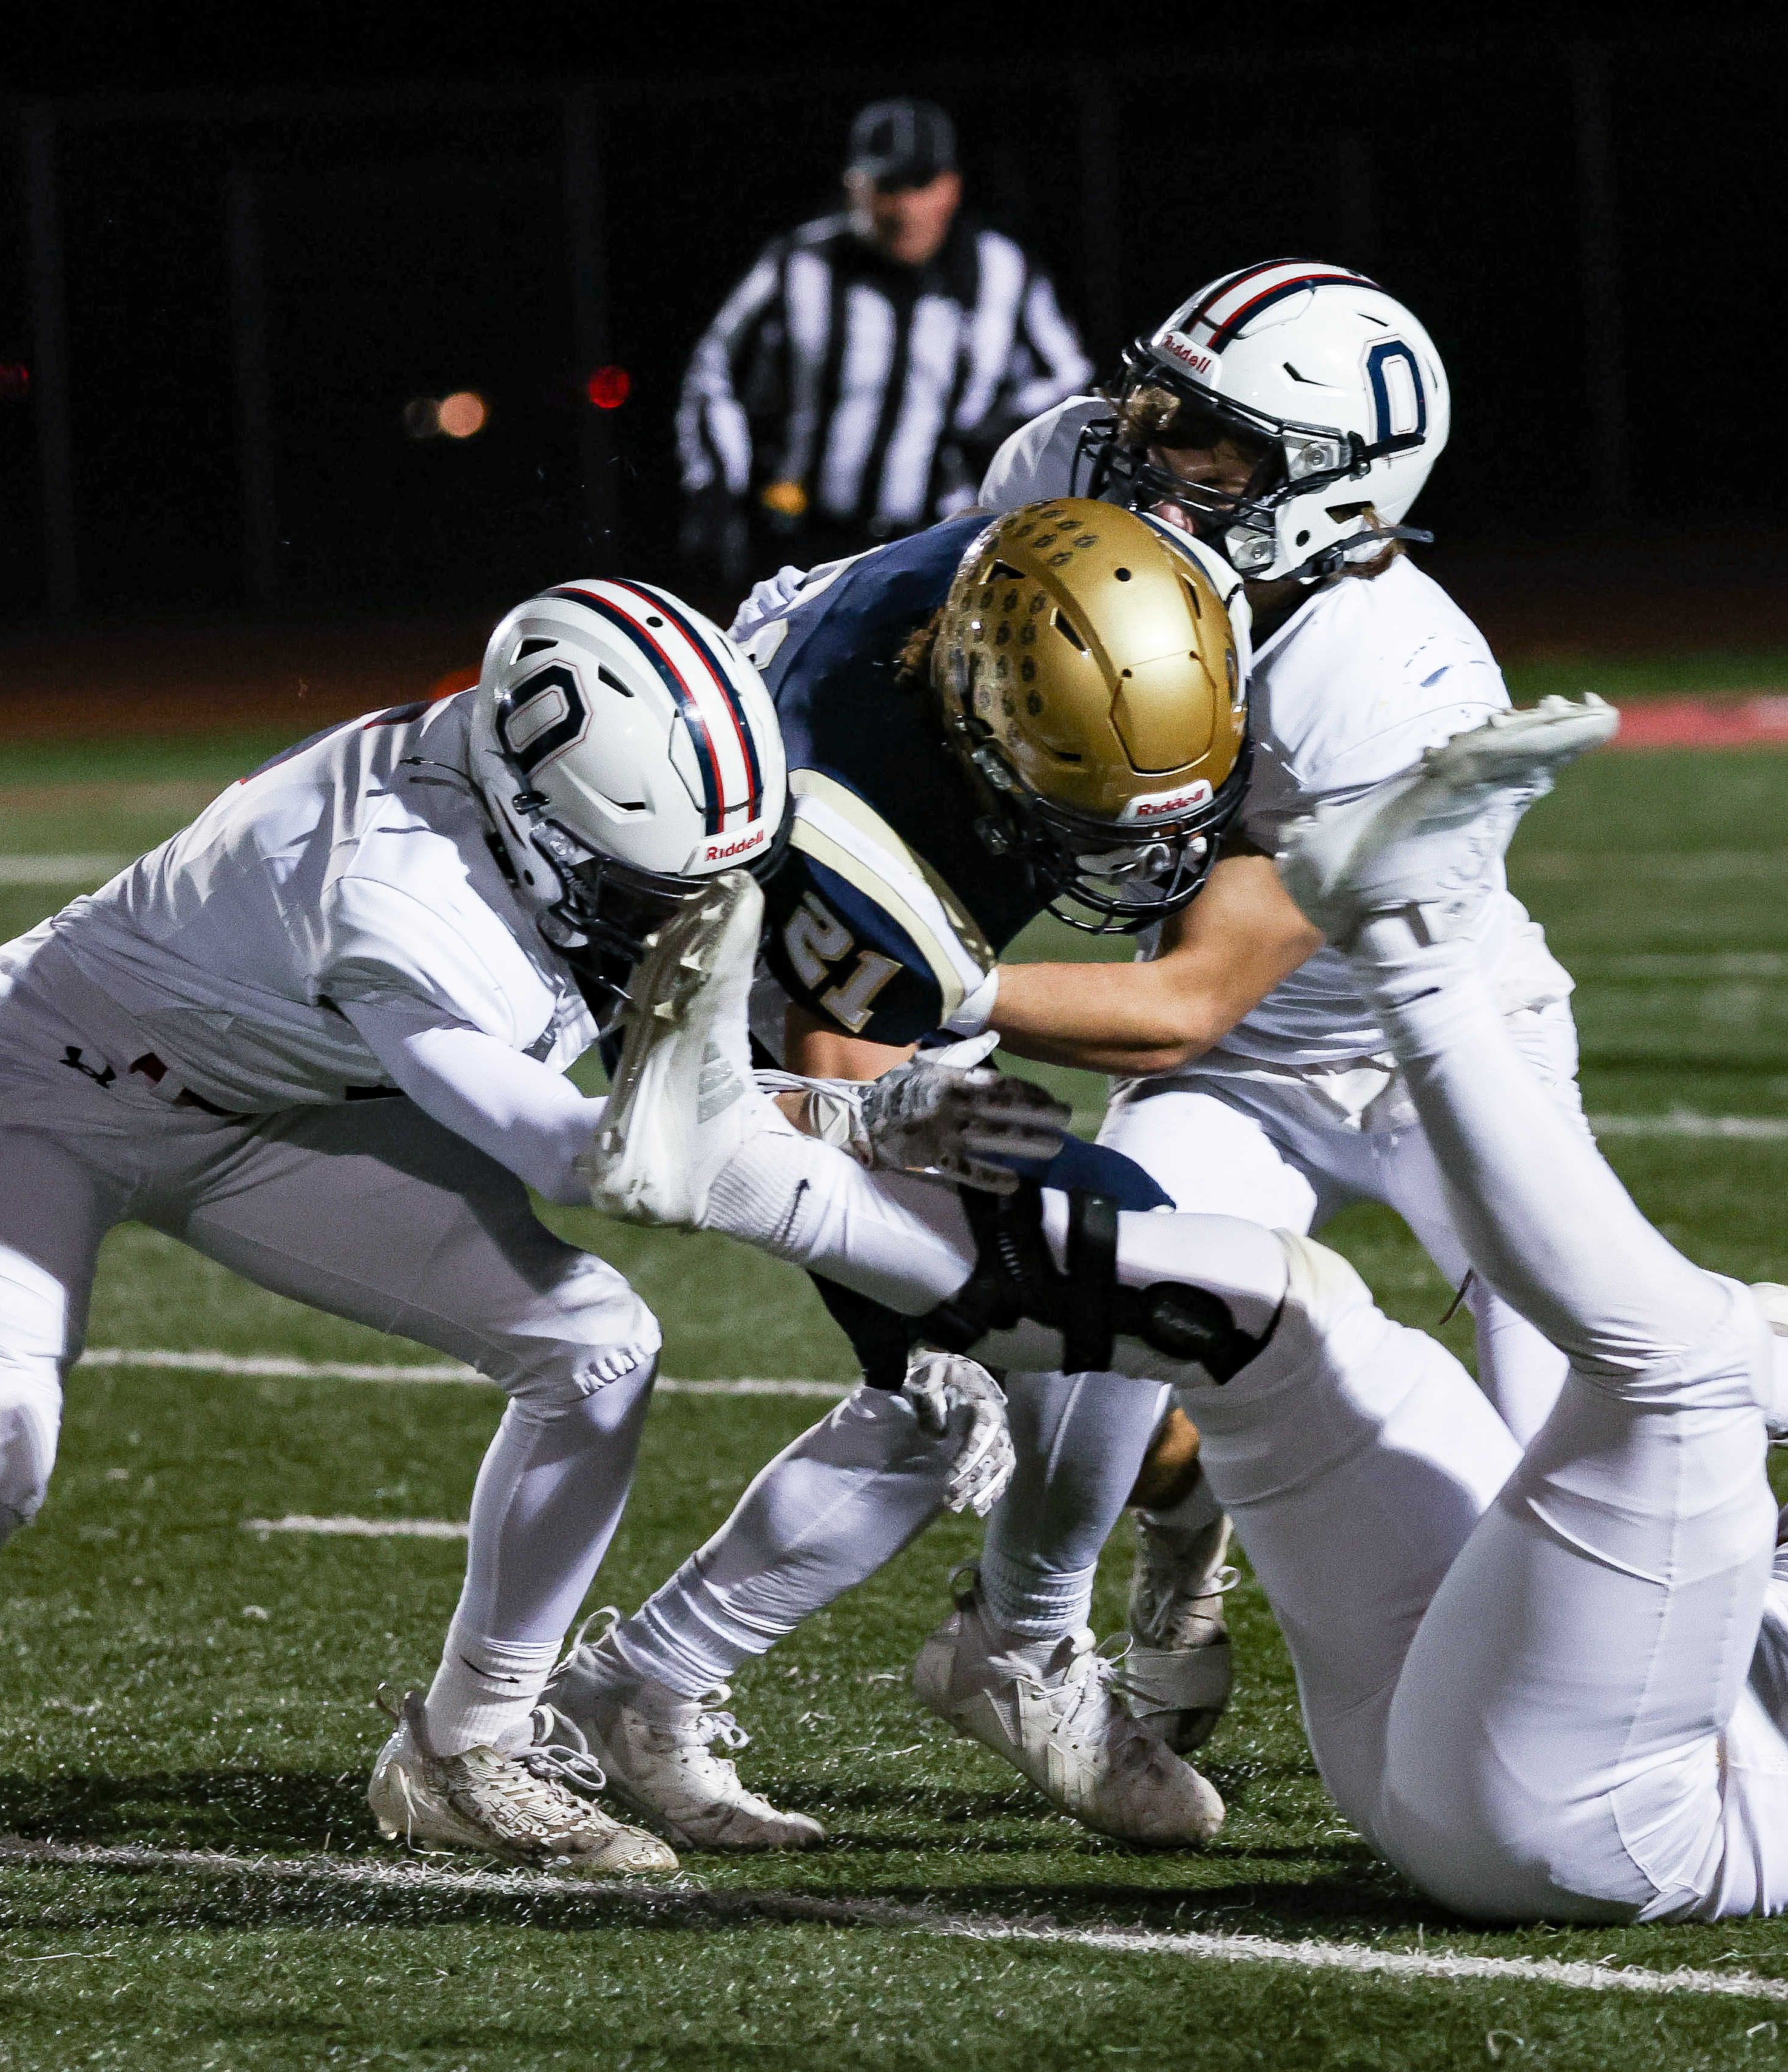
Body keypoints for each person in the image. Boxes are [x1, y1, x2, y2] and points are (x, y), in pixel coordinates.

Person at [575, 693, 1788, 1923]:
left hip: (1624, 1823)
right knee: (1281, 1312)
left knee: (1663, 1373)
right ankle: (741, 1161)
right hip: (1483, 1747)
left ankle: (1416, 948)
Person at [0, 576, 837, 1989]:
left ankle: (468, 1743)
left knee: (595, 1347)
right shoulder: (397, 882)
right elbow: (581, 1154)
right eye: (646, 882)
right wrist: (846, 1125)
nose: (679, 914)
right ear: (539, 816)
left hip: (280, 1099)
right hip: (61, 1080)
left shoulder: (524, 794)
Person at [914, 261, 1615, 1781]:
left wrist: (929, 987)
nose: (1145, 452)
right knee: (1104, 1280)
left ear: (1333, 483)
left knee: (1565, 1434)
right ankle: (1018, 1630)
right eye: (1156, 406)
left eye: (1210, 439)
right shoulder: (1059, 482)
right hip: (1244, 1060)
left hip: (1434, 1040)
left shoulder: (1387, 672)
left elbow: (1184, 1002)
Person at [530, 496, 1250, 1852]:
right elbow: (831, 1074)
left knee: (1095, 1277)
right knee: (960, 1371)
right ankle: (651, 1689)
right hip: (712, 982)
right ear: (982, 719)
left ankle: (958, 1647)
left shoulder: (1115, 609)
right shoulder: (848, 783)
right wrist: (944, 1303)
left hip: (860, 955)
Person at [677, 97, 1089, 599]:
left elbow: (1069, 381)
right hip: (807, 544)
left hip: (944, 546)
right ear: (854, 185)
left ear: (951, 188)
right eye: (887, 187)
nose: (904, 209)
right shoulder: (800, 265)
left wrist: (1002, 434)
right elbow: (713, 370)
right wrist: (718, 489)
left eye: (920, 186)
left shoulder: (1003, 271)